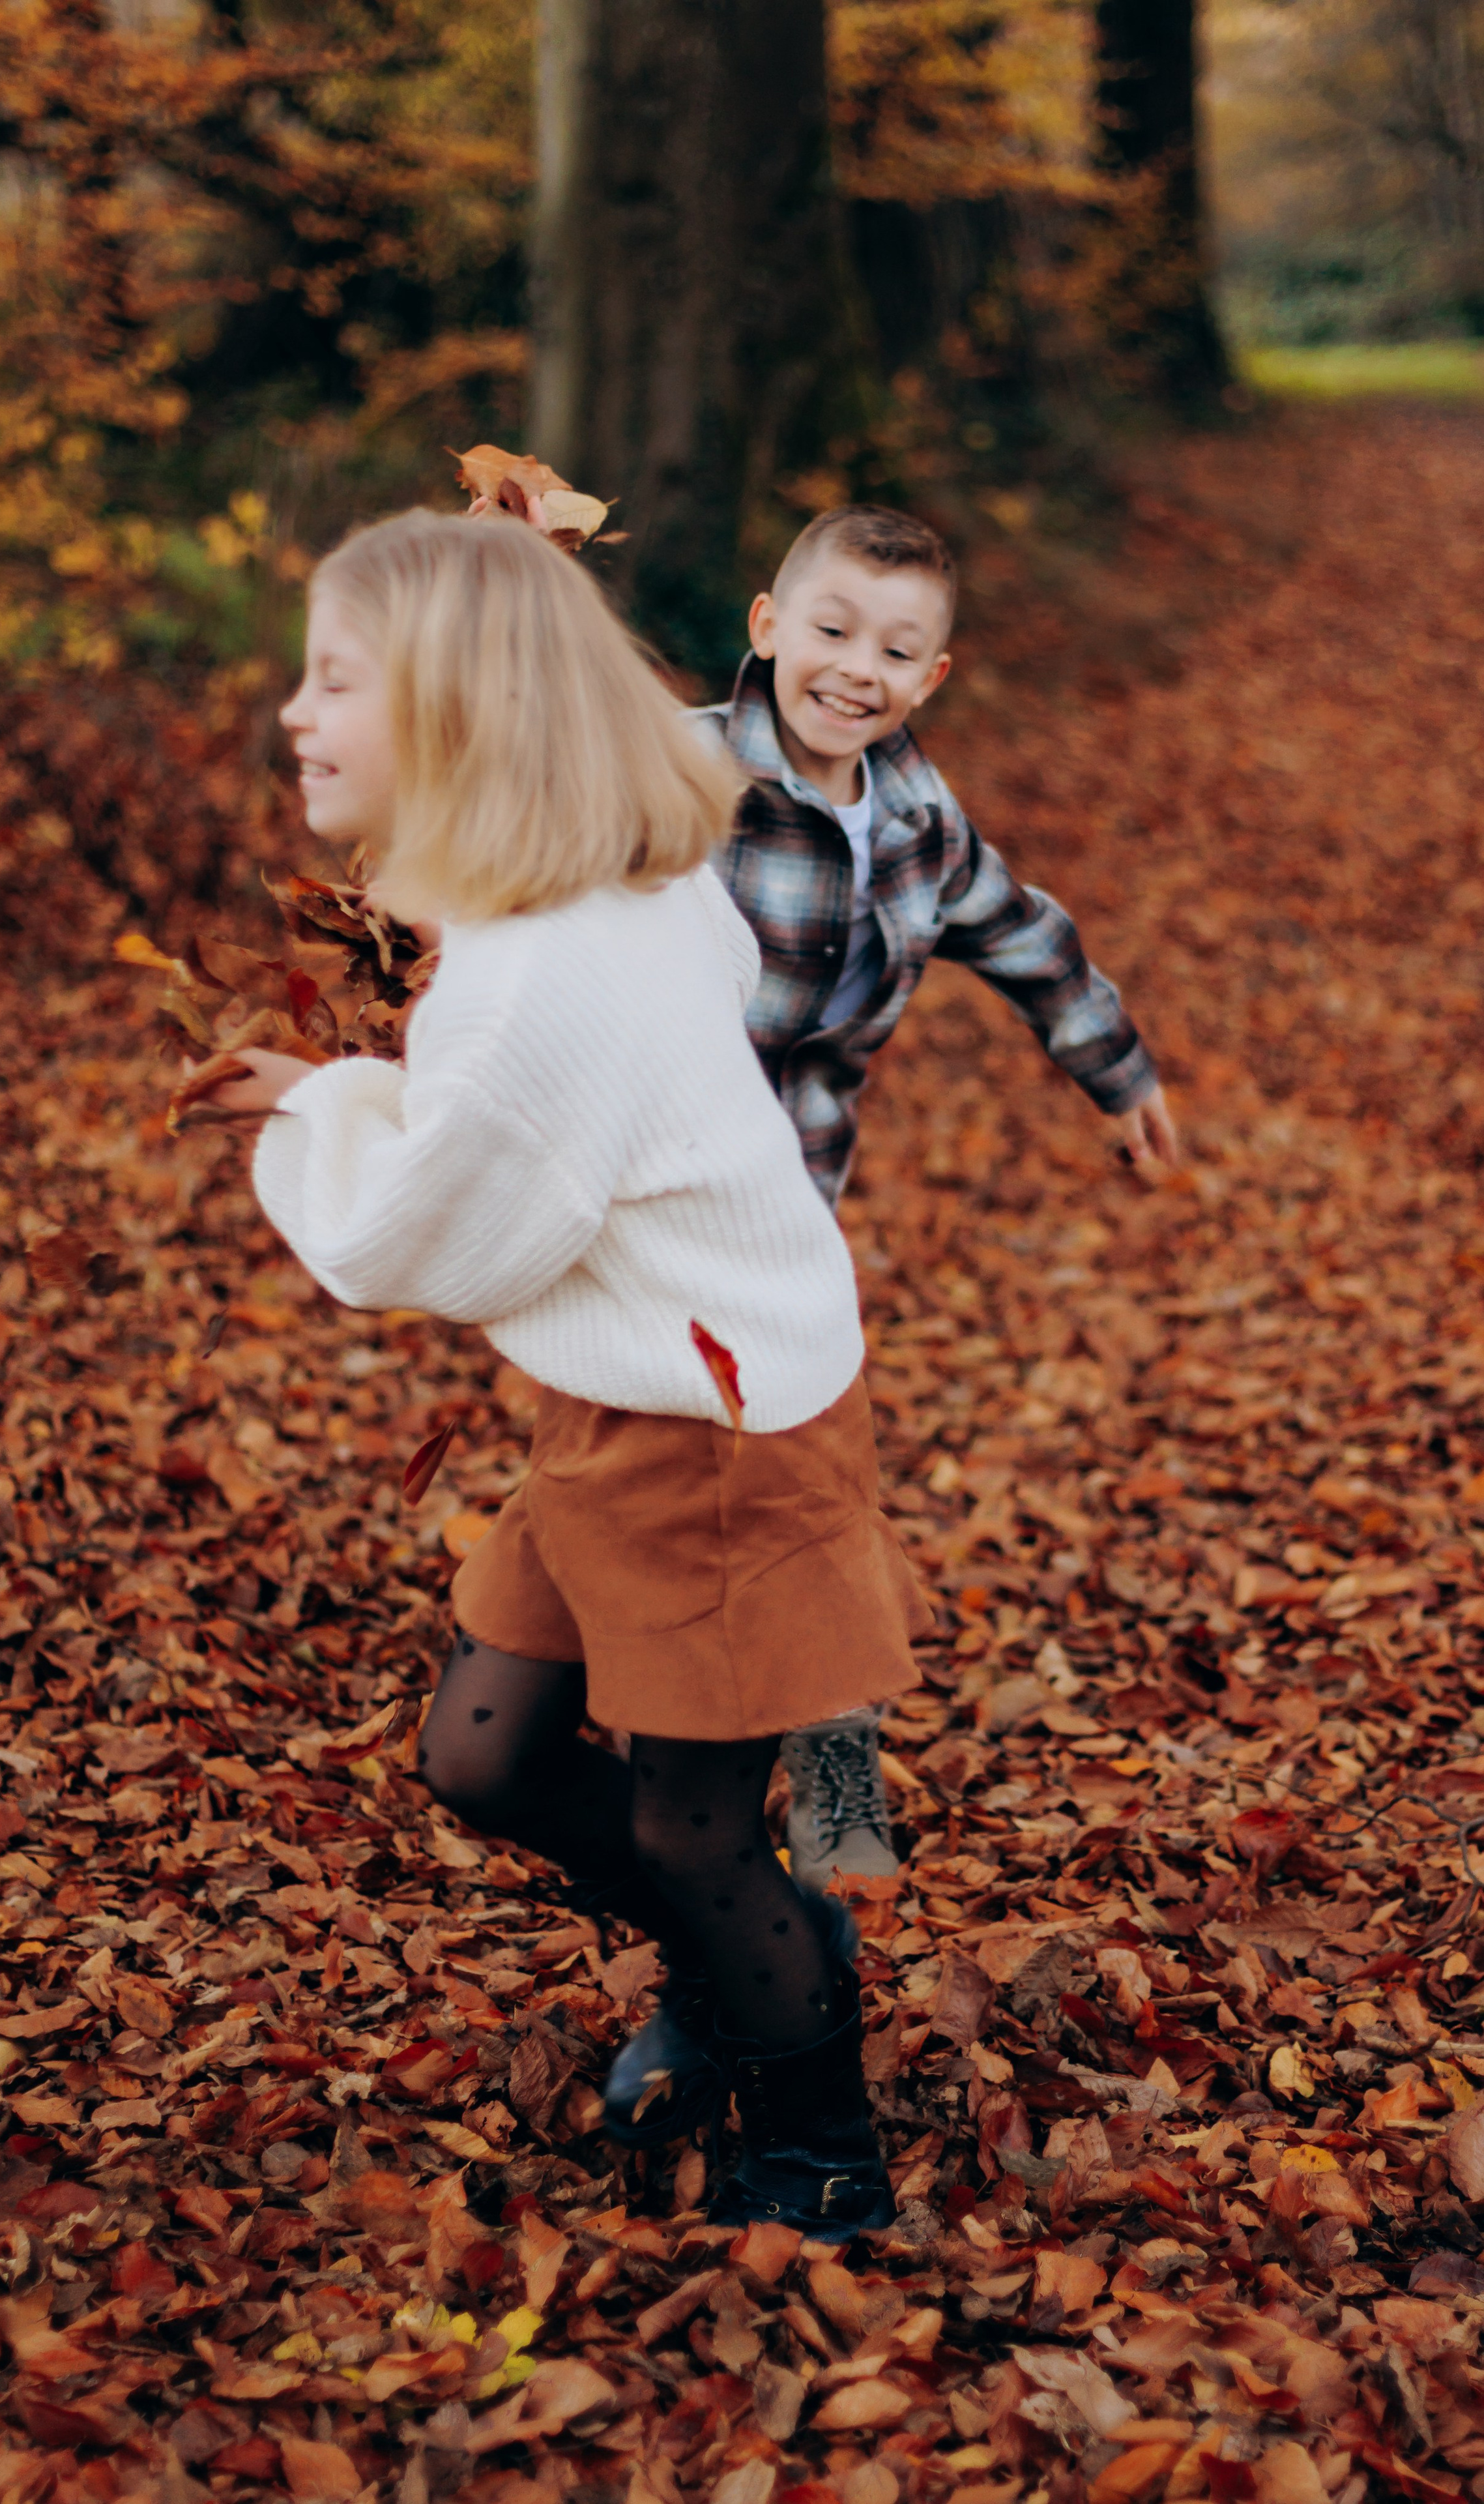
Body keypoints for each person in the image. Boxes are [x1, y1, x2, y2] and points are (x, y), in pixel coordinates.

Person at [194, 507, 931, 2234]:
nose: (295, 713)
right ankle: (754, 1945)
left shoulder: (540, 972)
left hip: (719, 1435)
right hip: (639, 1396)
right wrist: (334, 1090)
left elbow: (418, 1242)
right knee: (486, 1753)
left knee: (691, 1834)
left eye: (335, 680)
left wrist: (315, 1127)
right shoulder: (608, 890)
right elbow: (532, 1140)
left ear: (454, 710)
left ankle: (819, 2138)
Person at [698, 505, 1179, 1887]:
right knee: (643, 1482)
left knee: (804, 1479)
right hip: (636, 1206)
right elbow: (526, 883)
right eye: (832, 629)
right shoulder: (670, 774)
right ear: (767, 627)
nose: (858, 667)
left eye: (897, 650)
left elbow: (1020, 932)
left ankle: (829, 1775)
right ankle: (582, 1753)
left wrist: (1114, 1069)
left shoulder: (915, 819)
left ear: (933, 676)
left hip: (789, 1216)